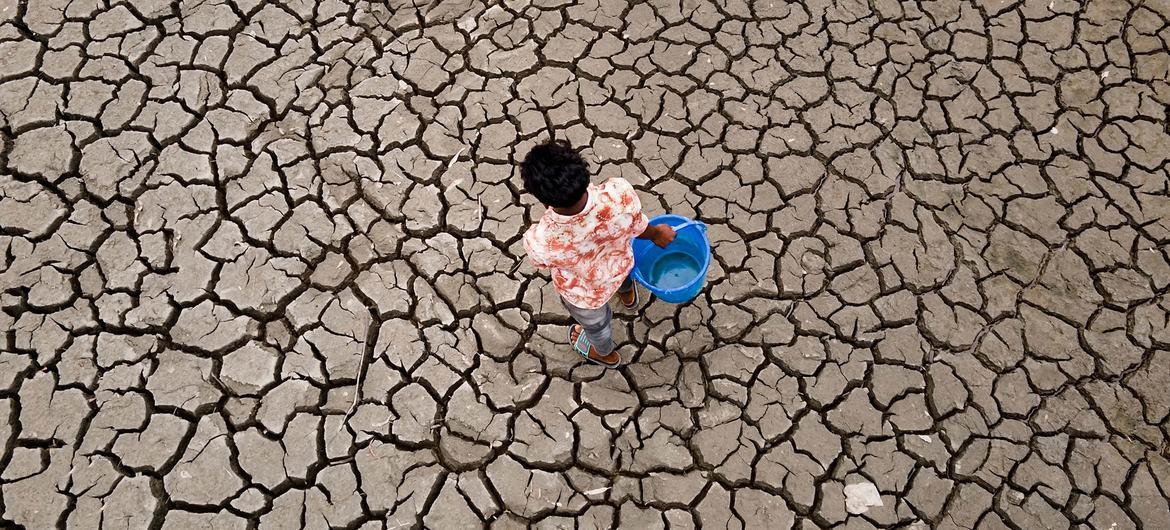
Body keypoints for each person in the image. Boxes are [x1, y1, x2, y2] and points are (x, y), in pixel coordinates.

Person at [520, 140, 676, 367]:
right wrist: (656, 234)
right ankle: (627, 296)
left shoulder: (541, 241)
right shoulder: (619, 195)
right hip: (620, 265)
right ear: (584, 172)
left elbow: (541, 263)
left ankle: (605, 354)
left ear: (543, 201)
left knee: (597, 326)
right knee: (623, 275)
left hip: (586, 294)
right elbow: (638, 226)